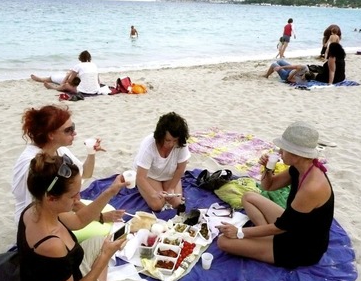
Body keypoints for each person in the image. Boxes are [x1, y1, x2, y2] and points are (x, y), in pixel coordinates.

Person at [17, 153, 148, 281]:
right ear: (51, 198)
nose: (78, 199)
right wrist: (104, 257)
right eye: (73, 195)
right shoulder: (50, 244)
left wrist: (110, 191)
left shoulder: (37, 208)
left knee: (100, 241)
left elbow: (79, 220)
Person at [216, 121, 334, 269]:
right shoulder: (300, 168)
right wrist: (268, 169)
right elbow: (268, 186)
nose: (279, 152)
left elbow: (281, 227)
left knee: (223, 242)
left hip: (302, 247)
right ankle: (265, 237)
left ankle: (265, 239)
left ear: (297, 154)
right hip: (295, 227)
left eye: (283, 149)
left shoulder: (312, 187)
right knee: (248, 197)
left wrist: (239, 232)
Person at [12, 104, 110, 225]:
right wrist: (100, 217)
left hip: (54, 209)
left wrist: (91, 153)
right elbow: (38, 209)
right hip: (35, 222)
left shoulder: (59, 150)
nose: (74, 133)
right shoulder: (34, 165)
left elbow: (85, 174)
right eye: (68, 130)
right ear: (51, 135)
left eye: (73, 127)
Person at [134, 112, 191, 212]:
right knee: (157, 205)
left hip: (169, 174)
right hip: (150, 175)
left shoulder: (180, 144)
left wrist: (172, 188)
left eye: (174, 140)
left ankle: (166, 187)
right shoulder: (149, 145)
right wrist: (152, 193)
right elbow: (140, 176)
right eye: (168, 140)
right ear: (160, 136)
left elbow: (181, 168)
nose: (171, 144)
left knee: (176, 203)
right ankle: (143, 188)